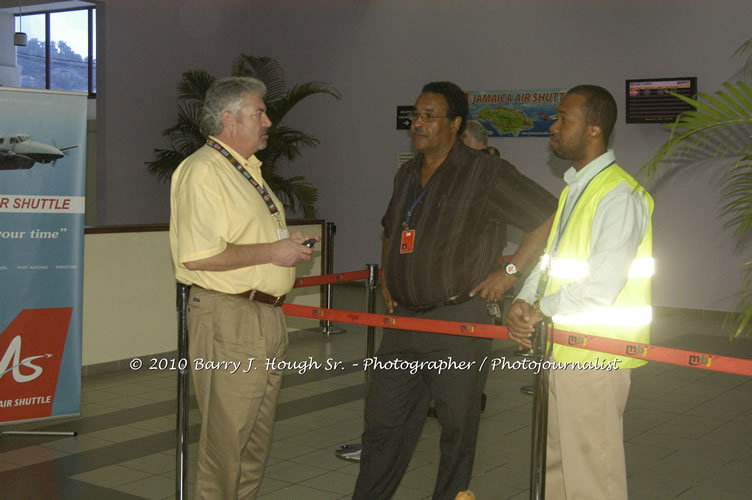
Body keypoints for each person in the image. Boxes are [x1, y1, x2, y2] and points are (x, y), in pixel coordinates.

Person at [353, 81, 557, 500]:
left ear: (456, 123)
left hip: (459, 320)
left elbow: (546, 215)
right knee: (383, 424)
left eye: (430, 116)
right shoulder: (408, 173)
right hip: (405, 320)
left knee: (456, 428)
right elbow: (391, 229)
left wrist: (512, 271)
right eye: (417, 115)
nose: (418, 123)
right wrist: (390, 278)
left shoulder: (485, 173)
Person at [169, 76, 317, 499]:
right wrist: (274, 252)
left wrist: (285, 246)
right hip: (228, 317)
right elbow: (198, 256)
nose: (268, 120)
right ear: (229, 119)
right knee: (227, 442)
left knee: (254, 442)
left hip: (264, 316)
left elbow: (247, 241)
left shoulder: (245, 170)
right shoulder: (203, 171)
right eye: (259, 112)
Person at [505, 84, 653, 500]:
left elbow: (602, 287)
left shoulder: (618, 195)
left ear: (593, 129)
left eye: (563, 119)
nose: (554, 127)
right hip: (565, 350)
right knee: (559, 468)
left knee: (591, 477)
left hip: (596, 356)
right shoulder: (577, 188)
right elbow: (552, 260)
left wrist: (538, 311)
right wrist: (524, 300)